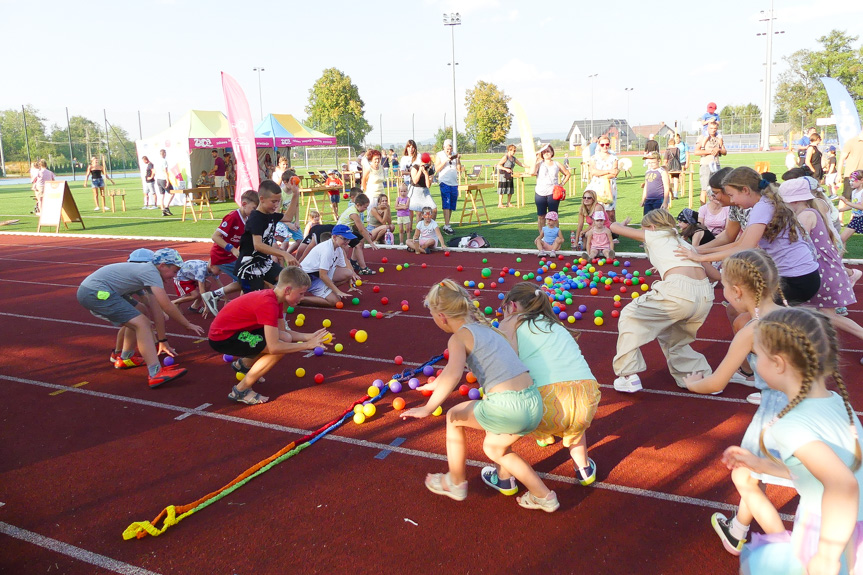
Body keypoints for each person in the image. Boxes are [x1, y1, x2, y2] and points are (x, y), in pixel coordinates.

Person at [725, 307, 863, 575]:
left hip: (830, 532)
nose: (755, 361)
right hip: (850, 524)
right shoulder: (836, 402)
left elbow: (843, 484)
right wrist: (761, 466)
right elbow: (822, 470)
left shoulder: (790, 425)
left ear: (778, 363)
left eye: (757, 355)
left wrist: (827, 555)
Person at [400, 280, 557, 512]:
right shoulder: (487, 329)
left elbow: (453, 375)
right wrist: (435, 386)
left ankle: (455, 481)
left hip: (508, 406)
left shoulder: (458, 337)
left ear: (442, 316)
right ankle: (545, 497)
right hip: (533, 402)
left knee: (453, 417)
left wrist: (427, 408)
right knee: (496, 449)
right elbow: (452, 374)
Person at [681, 250, 790, 555]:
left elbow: (717, 382)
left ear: (738, 291)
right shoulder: (795, 315)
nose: (724, 293)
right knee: (758, 475)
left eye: (724, 287)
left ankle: (790, 552)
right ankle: (737, 530)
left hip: (775, 416)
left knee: (745, 476)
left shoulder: (751, 331)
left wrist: (692, 382)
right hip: (813, 406)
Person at [495, 282, 601, 487]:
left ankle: (504, 478)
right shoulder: (556, 325)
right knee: (572, 418)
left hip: (546, 403)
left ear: (513, 306)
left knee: (502, 416)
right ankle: (584, 468)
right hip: (586, 396)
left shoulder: (511, 323)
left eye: (504, 308)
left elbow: (507, 365)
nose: (503, 312)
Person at [676, 167, 821, 306]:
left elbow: (746, 247)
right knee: (739, 312)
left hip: (796, 279)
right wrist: (698, 251)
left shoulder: (762, 207)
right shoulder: (763, 204)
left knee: (745, 313)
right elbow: (738, 244)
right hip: (798, 276)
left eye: (732, 195)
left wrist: (700, 258)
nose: (732, 201)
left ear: (745, 190)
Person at [609, 209, 714, 392]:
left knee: (630, 315)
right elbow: (715, 275)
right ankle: (701, 378)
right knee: (674, 338)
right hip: (704, 294)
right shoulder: (684, 243)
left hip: (678, 291)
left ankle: (628, 374)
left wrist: (621, 225)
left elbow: (613, 226)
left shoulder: (654, 234)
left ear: (652, 227)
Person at [76, 248, 205, 388]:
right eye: (174, 271)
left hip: (99, 290)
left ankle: (126, 357)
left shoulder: (149, 274)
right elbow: (167, 305)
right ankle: (155, 373)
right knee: (142, 324)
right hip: (95, 292)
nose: (175, 276)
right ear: (162, 265)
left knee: (140, 311)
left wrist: (162, 340)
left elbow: (157, 311)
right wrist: (187, 324)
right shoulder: (151, 272)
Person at [208, 267, 331, 405]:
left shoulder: (275, 299)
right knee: (278, 350)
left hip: (236, 331)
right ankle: (240, 390)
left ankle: (243, 365)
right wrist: (308, 345)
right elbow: (274, 347)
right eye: (301, 293)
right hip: (223, 337)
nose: (302, 298)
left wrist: (309, 336)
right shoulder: (268, 304)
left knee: (284, 338)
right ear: (288, 290)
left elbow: (283, 333)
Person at [201, 190, 260, 316]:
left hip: (230, 255)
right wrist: (232, 249)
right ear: (244, 204)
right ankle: (241, 306)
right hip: (222, 256)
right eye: (254, 208)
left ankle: (218, 297)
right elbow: (215, 236)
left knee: (246, 279)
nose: (255, 211)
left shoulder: (248, 218)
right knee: (248, 279)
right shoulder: (232, 217)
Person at [236, 180, 299, 293]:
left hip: (264, 262)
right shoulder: (256, 218)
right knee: (252, 302)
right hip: (250, 266)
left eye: (278, 202)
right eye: (273, 201)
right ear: (262, 199)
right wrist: (284, 253)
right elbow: (258, 245)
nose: (276, 205)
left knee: (288, 282)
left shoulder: (271, 215)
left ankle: (281, 310)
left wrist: (295, 194)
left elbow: (289, 217)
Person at [299, 225, 361, 307]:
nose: (347, 242)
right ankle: (300, 299)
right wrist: (337, 291)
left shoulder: (338, 249)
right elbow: (322, 275)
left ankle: (327, 291)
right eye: (344, 239)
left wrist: (351, 285)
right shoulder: (327, 250)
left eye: (348, 239)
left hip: (318, 275)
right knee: (335, 301)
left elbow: (343, 268)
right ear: (335, 237)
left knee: (348, 273)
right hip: (308, 278)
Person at [337, 192, 379, 274]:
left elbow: (360, 227)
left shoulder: (354, 209)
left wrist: (367, 231)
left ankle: (353, 261)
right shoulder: (354, 213)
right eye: (365, 207)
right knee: (358, 245)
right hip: (341, 232)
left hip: (347, 230)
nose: (365, 209)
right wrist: (371, 242)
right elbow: (361, 230)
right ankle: (363, 269)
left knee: (361, 239)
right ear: (358, 204)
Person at [531, 144, 570, 233]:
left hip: (553, 193)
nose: (546, 153)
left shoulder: (557, 164)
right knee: (541, 216)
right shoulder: (539, 164)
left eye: (548, 151)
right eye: (544, 152)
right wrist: (535, 160)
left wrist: (561, 184)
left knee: (553, 215)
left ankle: (555, 235)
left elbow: (567, 173)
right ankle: (542, 235)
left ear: (552, 152)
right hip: (540, 192)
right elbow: (532, 172)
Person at [586, 135, 619, 227]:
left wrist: (601, 174)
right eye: (602, 144)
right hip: (596, 186)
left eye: (607, 144)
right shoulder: (594, 158)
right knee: (597, 210)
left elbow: (615, 173)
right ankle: (597, 233)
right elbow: (593, 172)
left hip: (609, 186)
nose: (605, 146)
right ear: (599, 145)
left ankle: (613, 234)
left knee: (610, 212)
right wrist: (608, 171)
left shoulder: (614, 158)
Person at [695, 122, 727, 205]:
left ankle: (716, 207)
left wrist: (719, 150)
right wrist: (709, 151)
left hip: (716, 165)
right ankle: (703, 210)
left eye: (715, 129)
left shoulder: (718, 138)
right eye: (711, 128)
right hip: (706, 165)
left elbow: (724, 151)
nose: (713, 130)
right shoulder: (703, 137)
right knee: (705, 188)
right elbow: (696, 151)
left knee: (717, 187)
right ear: (707, 128)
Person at [435, 139, 461, 234]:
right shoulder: (439, 155)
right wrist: (445, 161)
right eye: (447, 147)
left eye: (450, 147)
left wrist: (458, 159)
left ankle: (447, 224)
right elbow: (437, 169)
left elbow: (458, 169)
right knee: (446, 203)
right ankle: (447, 225)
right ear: (444, 147)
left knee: (451, 205)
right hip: (444, 181)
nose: (449, 149)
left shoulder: (454, 154)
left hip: (454, 183)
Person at [408, 152, 437, 229]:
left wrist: (426, 173)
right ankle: (419, 231)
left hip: (425, 192)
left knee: (434, 209)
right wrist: (420, 171)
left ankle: (429, 227)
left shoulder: (430, 170)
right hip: (415, 191)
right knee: (419, 212)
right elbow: (415, 181)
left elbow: (428, 185)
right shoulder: (415, 167)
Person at [838, 129, 863, 202]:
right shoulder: (851, 142)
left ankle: (855, 214)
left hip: (862, 176)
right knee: (846, 198)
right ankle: (839, 213)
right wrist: (839, 174)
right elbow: (842, 159)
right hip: (852, 176)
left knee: (859, 200)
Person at [496, 144, 524, 208]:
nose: (514, 152)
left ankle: (508, 203)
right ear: (509, 150)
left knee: (510, 189)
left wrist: (528, 166)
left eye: (515, 151)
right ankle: (500, 203)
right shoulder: (505, 157)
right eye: (513, 151)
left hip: (510, 175)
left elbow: (520, 164)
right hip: (503, 175)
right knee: (502, 189)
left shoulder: (514, 158)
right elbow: (498, 165)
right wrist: (506, 169)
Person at [839, 171, 863, 243]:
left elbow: (861, 207)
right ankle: (840, 254)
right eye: (850, 181)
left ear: (862, 180)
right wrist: (840, 210)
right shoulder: (854, 192)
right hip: (856, 218)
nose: (850, 183)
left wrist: (846, 202)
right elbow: (853, 206)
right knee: (842, 239)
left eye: (853, 180)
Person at [154, 149, 172, 216]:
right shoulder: (164, 161)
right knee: (172, 193)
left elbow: (155, 170)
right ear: (164, 154)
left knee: (162, 195)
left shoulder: (157, 161)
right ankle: (166, 207)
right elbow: (165, 171)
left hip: (158, 179)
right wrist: (167, 181)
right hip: (163, 179)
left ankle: (163, 210)